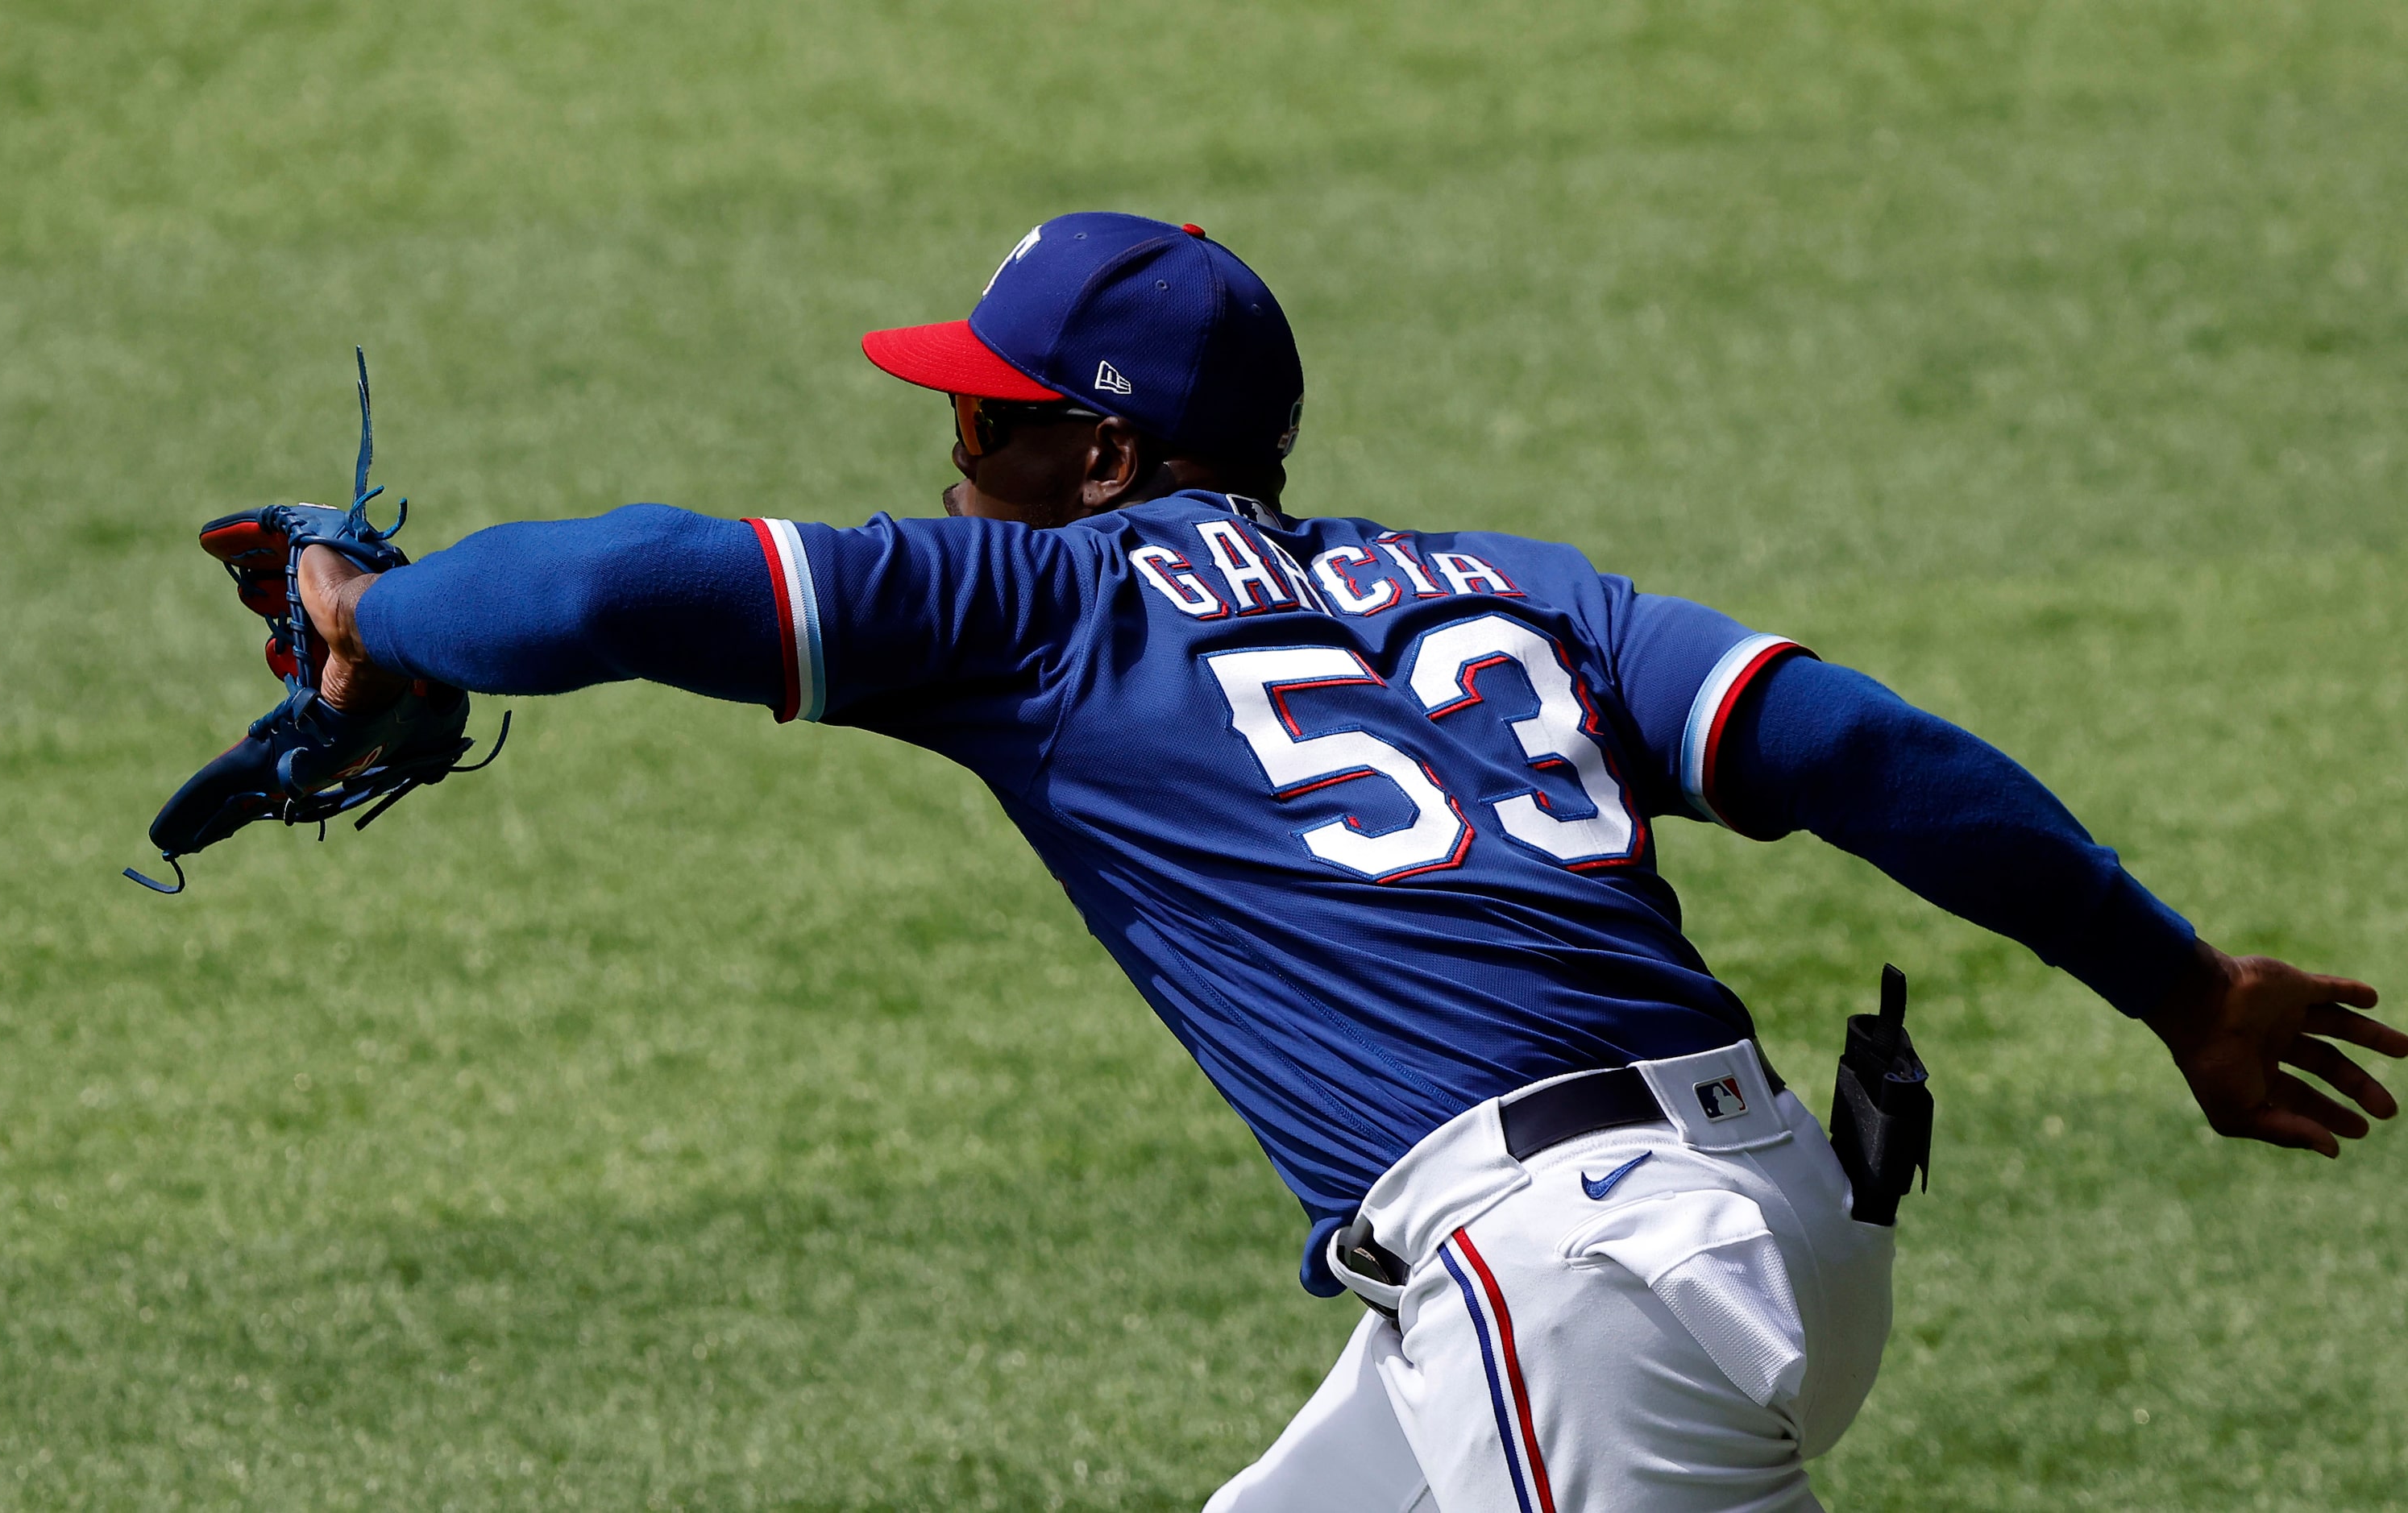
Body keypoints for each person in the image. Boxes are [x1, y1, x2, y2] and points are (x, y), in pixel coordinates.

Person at [280, 213, 2397, 1511]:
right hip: (1738, 1213)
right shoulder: (1504, 582)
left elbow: (632, 579)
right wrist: (2176, 988)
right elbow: (1854, 744)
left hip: (1579, 1281)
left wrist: (379, 616)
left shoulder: (1041, 603)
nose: (948, 459)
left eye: (990, 421)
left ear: (1098, 456)